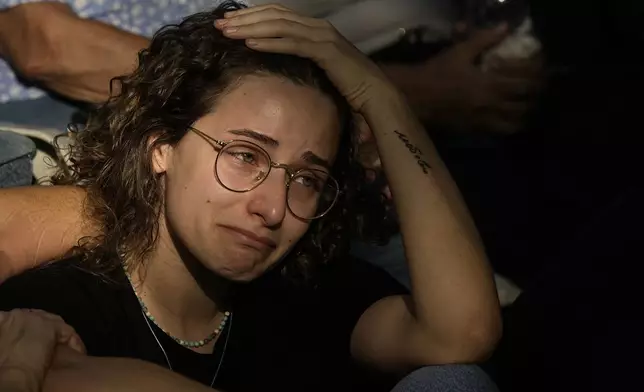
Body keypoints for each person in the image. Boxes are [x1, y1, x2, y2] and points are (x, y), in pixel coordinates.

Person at [0, 2, 501, 392]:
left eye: (306, 179)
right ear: (161, 149)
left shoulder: (306, 295)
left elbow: (460, 335)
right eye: (244, 155)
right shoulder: (54, 306)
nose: (272, 207)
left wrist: (381, 96)